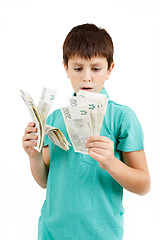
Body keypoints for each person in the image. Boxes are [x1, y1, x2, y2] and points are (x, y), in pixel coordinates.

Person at [22, 23, 150, 240]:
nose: (87, 77)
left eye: (96, 68)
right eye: (78, 68)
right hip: (51, 232)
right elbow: (46, 181)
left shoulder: (122, 118)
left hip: (101, 234)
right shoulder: (54, 119)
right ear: (66, 68)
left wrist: (111, 162)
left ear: (109, 69)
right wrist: (33, 156)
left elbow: (143, 185)